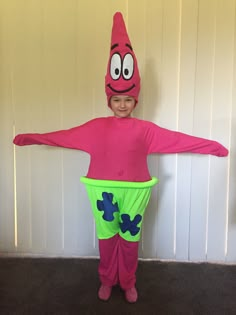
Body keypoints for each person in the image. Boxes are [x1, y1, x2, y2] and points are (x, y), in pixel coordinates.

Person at [13, 12, 228, 303]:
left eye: (128, 100)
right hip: (102, 192)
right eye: (117, 100)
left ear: (135, 99)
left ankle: (127, 281)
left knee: (128, 241)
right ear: (109, 100)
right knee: (106, 240)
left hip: (135, 195)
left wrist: (212, 146)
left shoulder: (145, 130)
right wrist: (31, 138)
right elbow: (61, 135)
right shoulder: (94, 128)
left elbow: (178, 141)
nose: (123, 105)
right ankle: (106, 279)